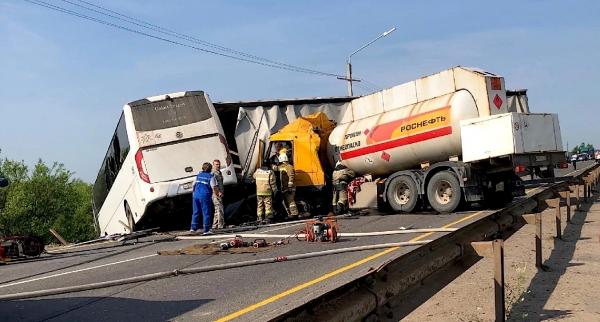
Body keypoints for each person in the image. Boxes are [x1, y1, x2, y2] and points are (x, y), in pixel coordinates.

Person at [191, 162, 217, 234]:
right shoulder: (210, 176)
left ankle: (193, 228)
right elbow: (214, 187)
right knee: (206, 212)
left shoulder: (198, 175)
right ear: (210, 169)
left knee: (195, 211)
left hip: (196, 195)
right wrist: (217, 194)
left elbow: (193, 185)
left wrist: (194, 193)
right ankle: (206, 230)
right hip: (205, 195)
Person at [278, 153, 299, 219]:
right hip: (284, 188)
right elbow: (276, 168)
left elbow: (291, 177)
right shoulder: (282, 167)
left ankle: (294, 214)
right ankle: (289, 214)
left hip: (289, 188)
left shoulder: (289, 167)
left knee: (290, 200)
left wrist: (290, 186)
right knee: (286, 201)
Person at [211, 159, 225, 229]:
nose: (218, 166)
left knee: (217, 209)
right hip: (215, 193)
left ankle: (215, 225)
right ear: (213, 165)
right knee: (219, 209)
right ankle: (220, 225)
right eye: (216, 164)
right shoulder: (213, 173)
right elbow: (214, 185)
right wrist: (218, 193)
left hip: (219, 193)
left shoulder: (219, 172)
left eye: (219, 164)